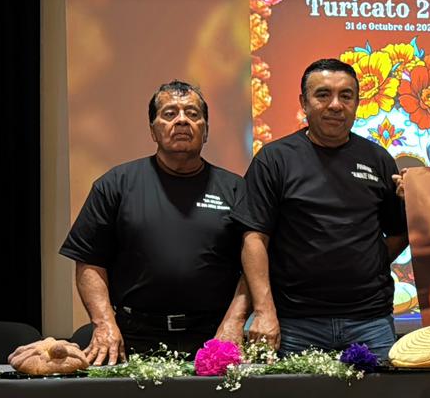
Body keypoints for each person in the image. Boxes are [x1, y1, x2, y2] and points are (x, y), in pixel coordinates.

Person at [60, 80, 249, 362]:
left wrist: (235, 321)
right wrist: (104, 324)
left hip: (213, 336)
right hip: (133, 336)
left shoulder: (235, 189)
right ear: (153, 130)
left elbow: (255, 266)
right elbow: (89, 260)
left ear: (206, 130)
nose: (182, 120)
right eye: (170, 113)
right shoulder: (116, 184)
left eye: (193, 114)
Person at [236, 59, 408, 357]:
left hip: (370, 321)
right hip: (294, 323)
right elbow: (254, 239)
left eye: (346, 95)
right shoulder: (274, 159)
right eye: (323, 94)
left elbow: (398, 232)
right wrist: (264, 311)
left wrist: (368, 259)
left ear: (357, 102)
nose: (335, 105)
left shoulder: (378, 159)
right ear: (304, 102)